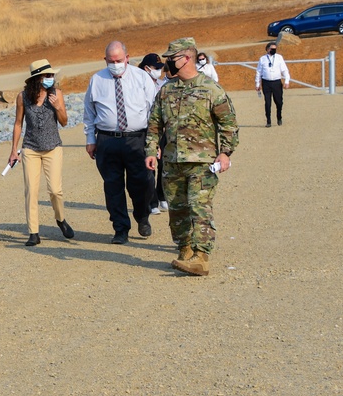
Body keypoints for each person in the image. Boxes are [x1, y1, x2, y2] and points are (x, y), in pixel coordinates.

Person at [146, 37, 239, 276]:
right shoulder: (166, 90)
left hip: (202, 162)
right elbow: (154, 123)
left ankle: (201, 256)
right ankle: (185, 249)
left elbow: (228, 124)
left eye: (171, 58)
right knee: (177, 209)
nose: (167, 62)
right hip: (172, 161)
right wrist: (151, 150)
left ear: (186, 58)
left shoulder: (211, 89)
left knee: (199, 207)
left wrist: (225, 152)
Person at [83, 41, 158, 245]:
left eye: (119, 60)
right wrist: (90, 140)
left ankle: (142, 216)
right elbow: (89, 113)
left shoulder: (141, 77)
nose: (115, 64)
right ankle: (120, 228)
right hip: (108, 140)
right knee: (113, 186)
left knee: (143, 182)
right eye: (111, 61)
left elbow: (155, 112)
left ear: (127, 57)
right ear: (105, 60)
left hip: (137, 139)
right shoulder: (97, 80)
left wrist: (154, 141)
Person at [9, 59, 73, 247]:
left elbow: (64, 122)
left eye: (52, 75)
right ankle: (33, 232)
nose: (51, 78)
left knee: (55, 190)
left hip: (53, 147)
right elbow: (18, 123)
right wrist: (14, 150)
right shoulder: (23, 97)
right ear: (37, 78)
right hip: (30, 149)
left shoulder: (57, 94)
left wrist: (58, 107)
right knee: (31, 191)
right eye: (47, 75)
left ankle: (60, 219)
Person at [138, 53, 168, 214]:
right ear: (147, 68)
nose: (159, 71)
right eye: (156, 69)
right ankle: (151, 201)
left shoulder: (161, 84)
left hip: (161, 129)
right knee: (150, 166)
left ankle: (162, 196)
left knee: (164, 163)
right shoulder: (140, 84)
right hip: (147, 130)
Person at [256, 41, 291, 127]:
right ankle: (268, 121)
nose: (274, 50)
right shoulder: (262, 59)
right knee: (267, 102)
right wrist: (257, 84)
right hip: (266, 82)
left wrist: (286, 81)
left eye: (275, 49)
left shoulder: (279, 58)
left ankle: (279, 117)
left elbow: (284, 70)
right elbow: (258, 72)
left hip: (276, 82)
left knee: (279, 102)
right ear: (268, 49)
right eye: (272, 49)